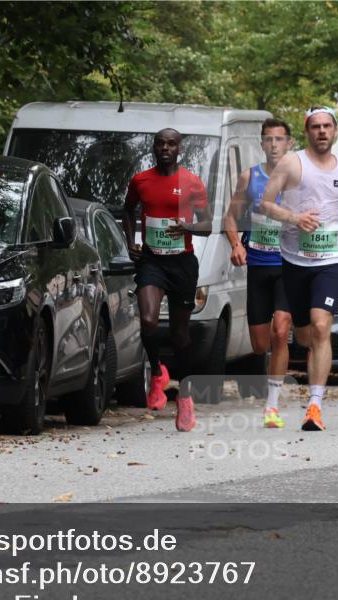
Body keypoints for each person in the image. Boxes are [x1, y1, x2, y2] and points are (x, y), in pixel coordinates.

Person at [259, 106, 338, 431]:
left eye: (327, 126)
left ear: (335, 132)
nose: (322, 131)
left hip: (331, 261)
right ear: (307, 131)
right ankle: (278, 400)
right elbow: (265, 204)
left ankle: (315, 406)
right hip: (294, 261)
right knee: (304, 335)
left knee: (323, 328)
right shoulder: (293, 164)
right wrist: (295, 219)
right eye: (316, 126)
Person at [122, 128, 212, 432]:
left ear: (179, 149)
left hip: (182, 264)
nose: (165, 148)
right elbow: (127, 211)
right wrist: (130, 243)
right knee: (148, 320)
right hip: (151, 261)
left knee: (180, 336)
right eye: (160, 144)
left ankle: (185, 399)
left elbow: (208, 224)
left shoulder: (191, 182)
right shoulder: (141, 180)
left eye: (171, 144)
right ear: (153, 148)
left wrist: (187, 227)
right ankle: (158, 372)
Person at [222, 118, 294, 428]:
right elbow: (230, 217)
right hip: (258, 266)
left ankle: (272, 405)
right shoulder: (249, 177)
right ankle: (272, 382)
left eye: (280, 139)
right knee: (260, 344)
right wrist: (236, 243)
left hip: (289, 266)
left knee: (281, 331)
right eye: (269, 139)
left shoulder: (299, 179)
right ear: (262, 143)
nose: (274, 144)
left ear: (289, 143)